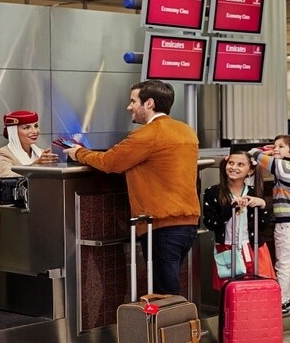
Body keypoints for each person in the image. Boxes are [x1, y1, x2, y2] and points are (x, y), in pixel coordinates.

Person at [63, 80, 200, 295]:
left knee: (164, 294)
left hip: (160, 226)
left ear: (150, 103)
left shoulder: (148, 134)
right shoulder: (186, 131)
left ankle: (170, 329)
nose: (129, 107)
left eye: (133, 101)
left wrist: (78, 153)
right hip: (188, 224)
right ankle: (174, 328)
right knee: (169, 287)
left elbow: (110, 162)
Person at [250, 135, 290, 314]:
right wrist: (276, 150)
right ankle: (287, 298)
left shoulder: (285, 166)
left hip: (289, 225)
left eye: (281, 146)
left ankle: (281, 302)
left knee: (283, 264)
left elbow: (255, 155)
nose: (276, 149)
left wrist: (260, 151)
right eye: (275, 146)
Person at [202, 151, 276, 291]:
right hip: (226, 248)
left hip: (253, 248)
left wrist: (262, 205)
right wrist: (231, 208)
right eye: (231, 163)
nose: (234, 167)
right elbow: (210, 223)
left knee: (258, 291)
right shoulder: (212, 192)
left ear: (250, 170)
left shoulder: (254, 192)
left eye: (240, 164)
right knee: (231, 292)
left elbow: (264, 226)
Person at [0, 110, 58, 179]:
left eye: (36, 126)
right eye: (26, 128)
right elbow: (8, 179)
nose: (35, 131)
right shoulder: (2, 154)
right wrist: (35, 165)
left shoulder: (41, 153)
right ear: (14, 132)